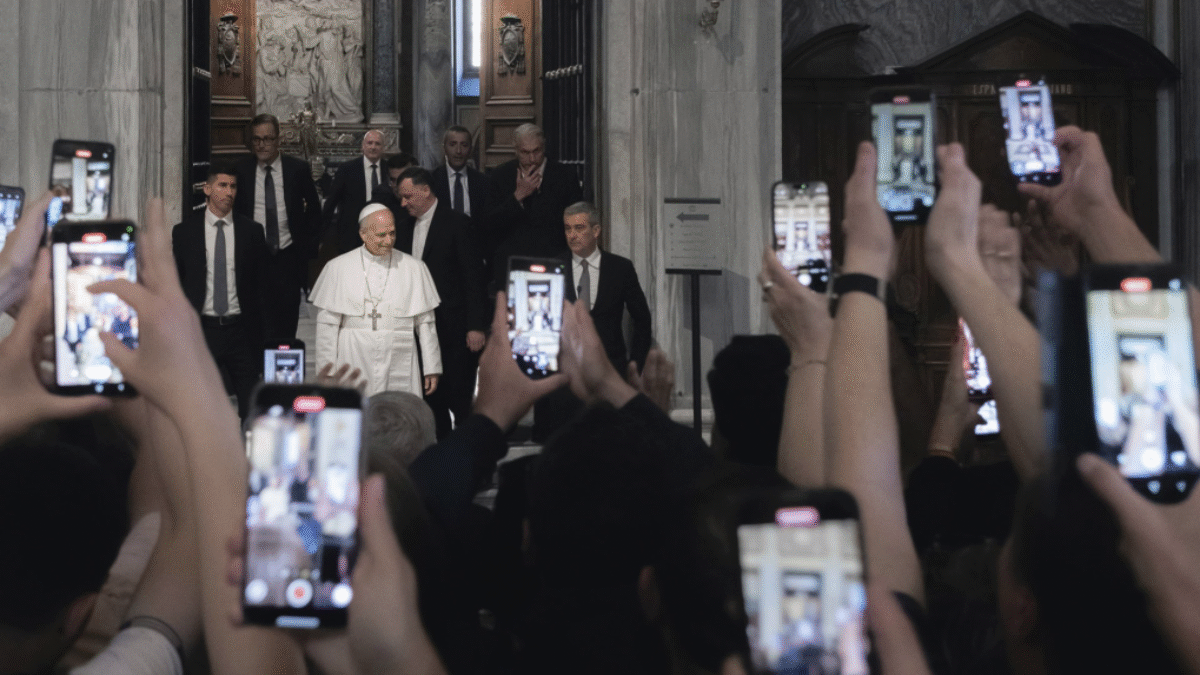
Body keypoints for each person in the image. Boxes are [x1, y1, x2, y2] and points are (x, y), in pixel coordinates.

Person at [533, 201, 651, 441]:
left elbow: (642, 320)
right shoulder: (552, 268)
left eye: (579, 228)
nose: (572, 235)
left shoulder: (620, 268)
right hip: (564, 379)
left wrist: (635, 364)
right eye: (568, 229)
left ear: (596, 231)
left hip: (610, 373)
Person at [310, 203, 442, 397]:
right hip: (353, 355)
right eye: (381, 235)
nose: (388, 241)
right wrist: (327, 372)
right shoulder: (338, 267)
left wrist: (432, 367)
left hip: (400, 353)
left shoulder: (414, 268)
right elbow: (327, 327)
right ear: (363, 234)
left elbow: (426, 323)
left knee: (399, 415)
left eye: (392, 233)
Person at [395, 166, 488, 438]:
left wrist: (476, 326)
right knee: (432, 400)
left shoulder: (458, 223)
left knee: (461, 400)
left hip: (456, 329)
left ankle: (473, 465)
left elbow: (474, 278)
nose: (403, 203)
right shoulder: (403, 227)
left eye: (408, 196)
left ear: (425, 191)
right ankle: (443, 462)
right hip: (421, 330)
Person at [173, 163, 270, 420]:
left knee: (251, 405)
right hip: (203, 328)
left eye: (233, 186)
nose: (229, 192)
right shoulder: (185, 233)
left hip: (241, 329)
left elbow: (262, 285)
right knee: (199, 404)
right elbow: (177, 282)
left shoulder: (251, 231)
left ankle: (247, 456)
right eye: (223, 185)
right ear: (207, 189)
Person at [233, 113, 322, 342]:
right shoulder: (241, 171)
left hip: (287, 256)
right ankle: (258, 370)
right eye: (256, 139)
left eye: (268, 139)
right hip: (253, 257)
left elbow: (314, 208)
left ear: (278, 140)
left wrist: (307, 248)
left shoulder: (297, 169)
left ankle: (282, 371)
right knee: (254, 319)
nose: (262, 145)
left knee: (286, 320)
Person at [485, 123, 583, 289]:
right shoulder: (500, 176)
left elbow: (576, 220)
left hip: (554, 263)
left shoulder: (565, 176)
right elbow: (489, 224)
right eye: (525, 152)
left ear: (543, 147)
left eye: (536, 151)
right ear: (516, 151)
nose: (532, 159)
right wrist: (517, 197)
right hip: (512, 267)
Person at [324, 129, 387, 254]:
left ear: (383, 148)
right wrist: (323, 235)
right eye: (369, 143)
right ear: (363, 146)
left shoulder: (389, 169)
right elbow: (332, 201)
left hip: (382, 232)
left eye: (377, 144)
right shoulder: (347, 169)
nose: (373, 147)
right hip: (352, 234)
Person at [431, 125, 488, 221]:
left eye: (464, 145)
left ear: (470, 149)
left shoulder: (483, 182)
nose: (458, 151)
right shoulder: (432, 180)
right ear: (444, 148)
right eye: (453, 144)